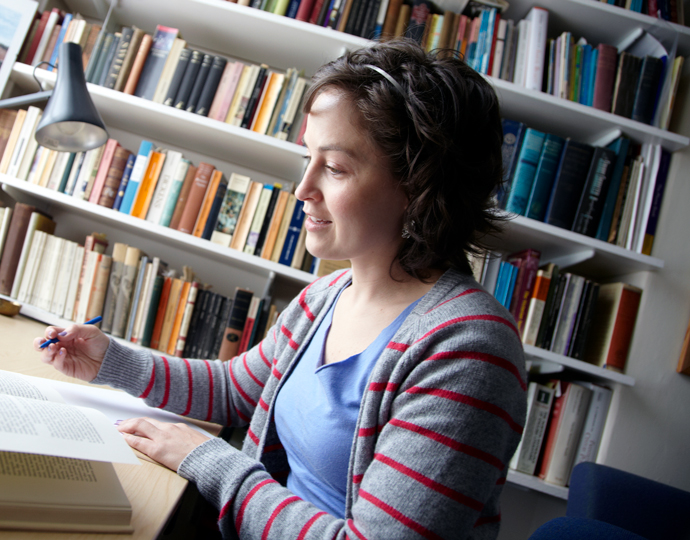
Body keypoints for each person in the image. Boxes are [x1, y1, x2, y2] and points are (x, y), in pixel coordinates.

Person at [36, 38, 527, 540]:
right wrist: (111, 362)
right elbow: (234, 389)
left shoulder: (470, 353)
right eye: (308, 157)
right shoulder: (327, 296)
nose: (302, 188)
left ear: (422, 188)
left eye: (334, 167)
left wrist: (213, 463)